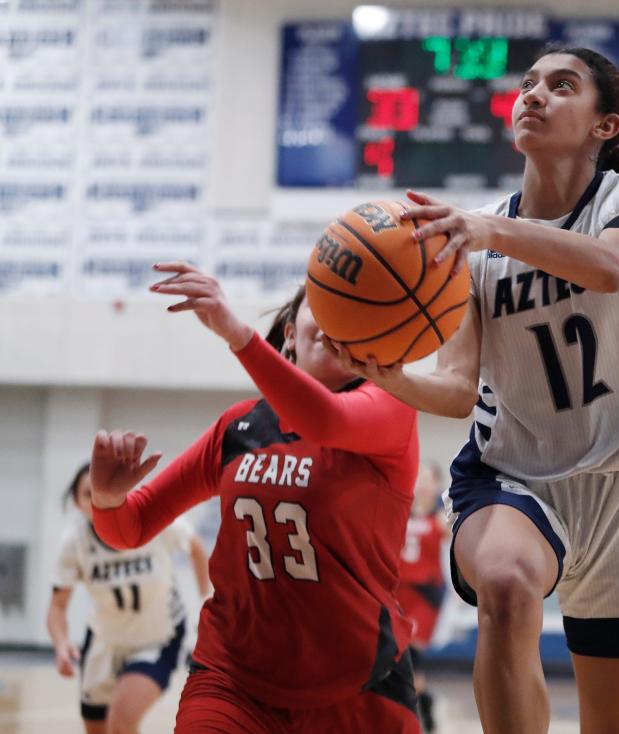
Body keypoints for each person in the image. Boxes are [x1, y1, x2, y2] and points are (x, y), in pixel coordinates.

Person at [328, 44, 619, 734]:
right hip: (514, 476)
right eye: (528, 84)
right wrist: (391, 376)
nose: (534, 94)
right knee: (502, 584)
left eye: (561, 86)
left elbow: (611, 268)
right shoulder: (474, 244)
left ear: (604, 125)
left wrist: (493, 229)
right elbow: (457, 388)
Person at [89, 268, 421, 733]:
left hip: (359, 685)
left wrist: (236, 333)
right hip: (233, 679)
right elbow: (131, 526)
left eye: (355, 314)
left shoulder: (389, 409)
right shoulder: (237, 427)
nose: (338, 320)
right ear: (290, 331)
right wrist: (107, 499)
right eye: (325, 306)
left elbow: (323, 419)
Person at [47, 462, 211, 734]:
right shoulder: (74, 542)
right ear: (77, 503)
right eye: (88, 494)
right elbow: (57, 607)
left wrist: (205, 595)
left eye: (102, 492)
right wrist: (62, 644)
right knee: (98, 728)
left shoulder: (150, 519)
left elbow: (195, 546)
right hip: (104, 640)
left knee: (121, 721)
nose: (96, 500)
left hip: (158, 636)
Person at [397, 460, 451, 732]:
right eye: (419, 478)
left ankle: (418, 707)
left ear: (436, 484)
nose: (421, 483)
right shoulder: (401, 512)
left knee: (410, 650)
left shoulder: (439, 517)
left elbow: (452, 533)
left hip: (425, 593)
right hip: (398, 592)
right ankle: (423, 700)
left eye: (428, 478)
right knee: (401, 652)